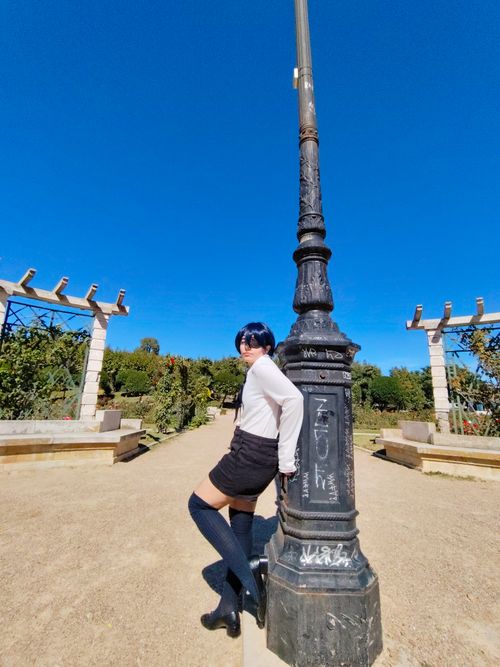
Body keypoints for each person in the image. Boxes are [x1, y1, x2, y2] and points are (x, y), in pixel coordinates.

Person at [188, 322, 304, 638]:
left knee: (199, 505)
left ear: (266, 346)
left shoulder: (263, 367)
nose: (245, 347)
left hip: (250, 454)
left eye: (253, 341)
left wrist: (287, 459)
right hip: (258, 455)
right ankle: (228, 609)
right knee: (240, 525)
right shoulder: (260, 371)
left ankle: (251, 578)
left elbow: (294, 400)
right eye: (242, 341)